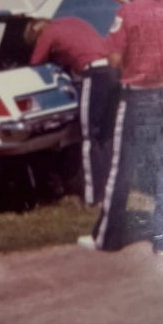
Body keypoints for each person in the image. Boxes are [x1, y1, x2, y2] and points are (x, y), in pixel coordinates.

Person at [78, 0, 163, 255]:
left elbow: (114, 60)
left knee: (121, 169)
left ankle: (106, 239)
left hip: (137, 97)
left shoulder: (127, 13)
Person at [25, 16, 121, 206]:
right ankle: (108, 195)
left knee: (89, 137)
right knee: (106, 137)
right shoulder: (73, 22)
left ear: (36, 30)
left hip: (94, 75)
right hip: (112, 73)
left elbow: (36, 63)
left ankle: (93, 199)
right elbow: (76, 49)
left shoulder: (48, 32)